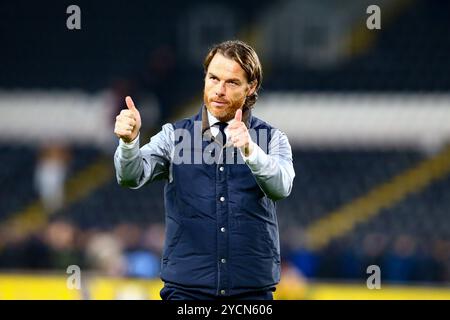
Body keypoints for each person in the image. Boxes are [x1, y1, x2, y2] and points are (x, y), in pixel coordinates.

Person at [113, 40, 295, 300]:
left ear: (251, 86)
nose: (219, 90)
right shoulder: (173, 136)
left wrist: (250, 151)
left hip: (251, 293)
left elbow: (281, 187)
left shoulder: (273, 139)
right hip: (186, 292)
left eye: (231, 82)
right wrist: (129, 143)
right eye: (213, 78)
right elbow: (131, 176)